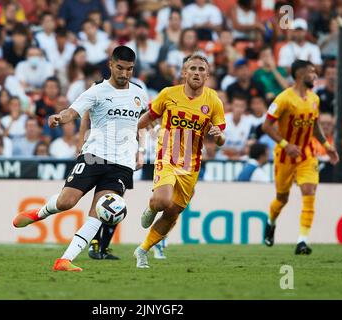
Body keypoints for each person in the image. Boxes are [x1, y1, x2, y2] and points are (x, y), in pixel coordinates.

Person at [12, 46, 148, 272]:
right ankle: (38, 213)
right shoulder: (96, 91)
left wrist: (142, 150)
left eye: (130, 69)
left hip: (122, 165)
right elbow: (73, 111)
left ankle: (64, 260)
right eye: (121, 68)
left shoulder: (139, 94)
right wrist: (59, 117)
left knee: (100, 213)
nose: (125, 74)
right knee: (67, 202)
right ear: (111, 65)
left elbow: (143, 124)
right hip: (94, 156)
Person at [134, 52, 226, 268]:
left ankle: (142, 250)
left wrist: (218, 135)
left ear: (207, 75)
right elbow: (146, 119)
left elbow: (221, 138)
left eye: (201, 69)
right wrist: (134, 143)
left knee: (173, 212)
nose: (196, 72)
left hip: (191, 165)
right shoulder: (168, 94)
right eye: (192, 68)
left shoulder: (213, 100)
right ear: (184, 73)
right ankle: (151, 206)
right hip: (167, 155)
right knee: (162, 202)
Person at [261, 59, 339, 255]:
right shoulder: (283, 99)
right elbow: (267, 126)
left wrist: (327, 146)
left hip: (307, 154)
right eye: (311, 72)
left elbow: (314, 126)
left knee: (309, 191)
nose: (314, 75)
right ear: (299, 75)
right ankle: (271, 223)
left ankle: (302, 241)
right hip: (285, 156)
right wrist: (286, 145)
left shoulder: (314, 99)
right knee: (281, 198)